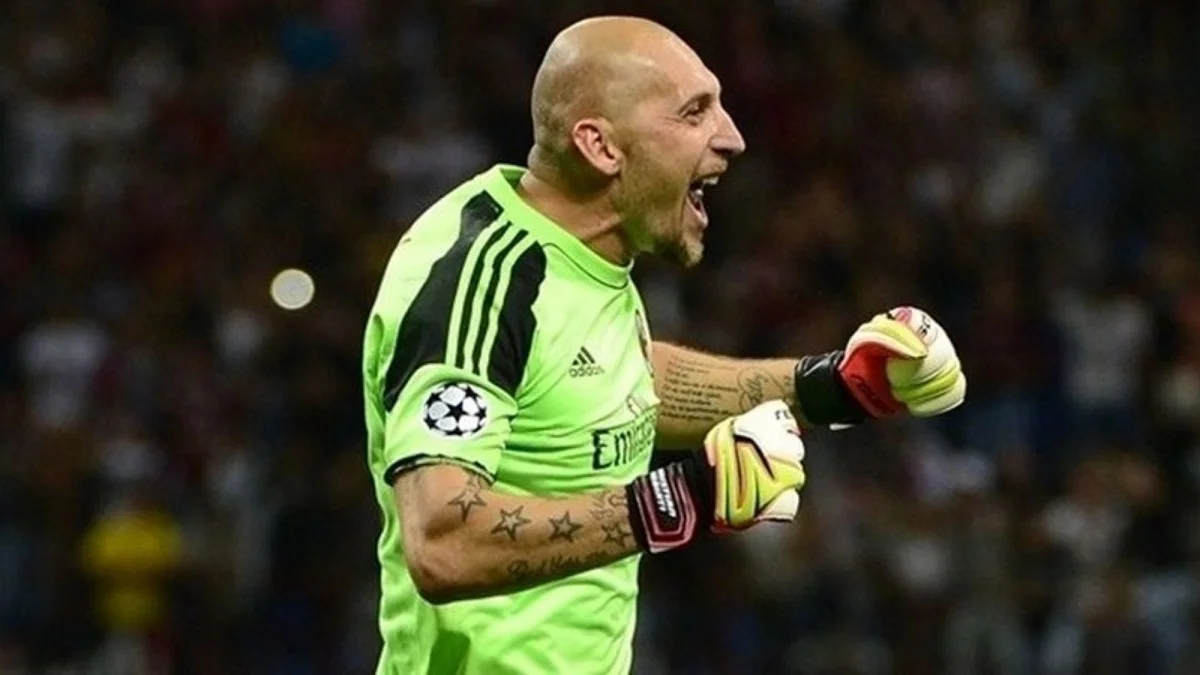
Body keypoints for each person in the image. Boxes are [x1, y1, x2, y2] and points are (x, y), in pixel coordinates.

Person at [361, 15, 967, 675]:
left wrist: (835, 386)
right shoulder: (481, 283)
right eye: (693, 112)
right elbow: (442, 542)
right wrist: (678, 501)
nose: (732, 137)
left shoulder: (577, 252)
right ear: (601, 146)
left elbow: (602, 381)